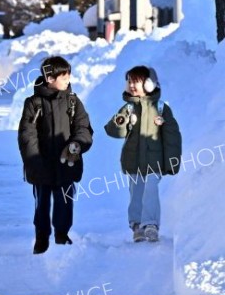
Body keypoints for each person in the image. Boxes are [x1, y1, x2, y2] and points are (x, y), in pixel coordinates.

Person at [18, 56, 94, 254]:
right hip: (41, 163)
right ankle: (41, 236)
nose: (68, 79)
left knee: (64, 201)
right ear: (49, 78)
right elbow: (27, 135)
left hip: (66, 162)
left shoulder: (73, 102)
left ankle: (62, 233)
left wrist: (76, 145)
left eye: (69, 75)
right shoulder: (34, 103)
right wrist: (33, 161)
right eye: (63, 76)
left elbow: (83, 127)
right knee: (41, 203)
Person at [104, 66, 182, 243]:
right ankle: (137, 225)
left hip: (155, 161)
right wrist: (121, 120)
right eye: (129, 81)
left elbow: (172, 137)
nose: (131, 85)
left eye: (136, 81)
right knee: (136, 192)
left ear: (149, 84)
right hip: (133, 161)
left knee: (151, 190)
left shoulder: (161, 109)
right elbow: (114, 131)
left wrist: (172, 161)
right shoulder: (128, 108)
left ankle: (151, 225)